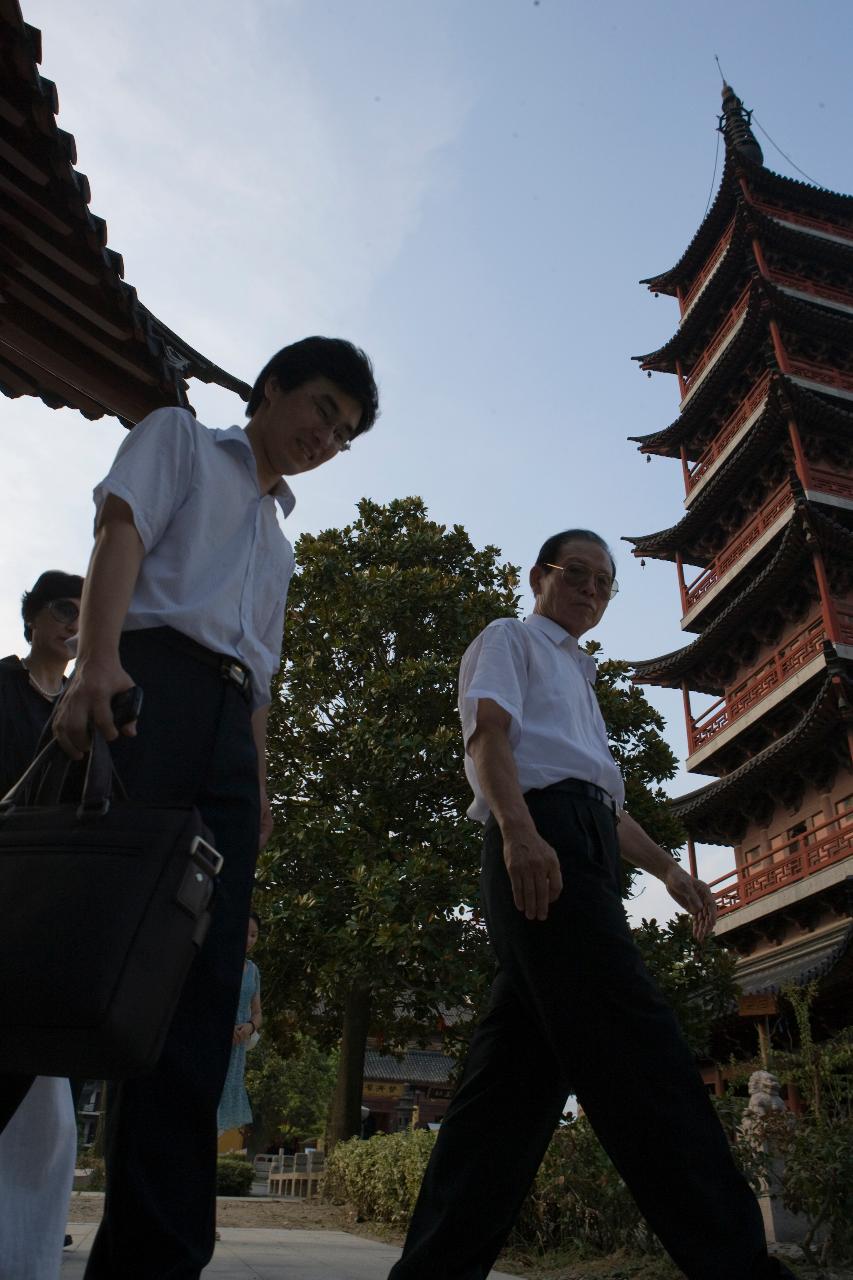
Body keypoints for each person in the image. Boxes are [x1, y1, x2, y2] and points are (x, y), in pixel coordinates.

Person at [0, 337, 379, 1279]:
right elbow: (117, 535)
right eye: (321, 409)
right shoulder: (178, 438)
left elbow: (257, 685)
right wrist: (96, 664)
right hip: (145, 691)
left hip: (223, 743)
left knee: (197, 1006)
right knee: (57, 960)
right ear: (273, 388)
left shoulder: (281, 545)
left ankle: (154, 1260)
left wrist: (255, 789)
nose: (324, 437)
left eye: (343, 434)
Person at [388, 530, 794, 1280]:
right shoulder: (508, 638)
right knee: (640, 1054)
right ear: (540, 574)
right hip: (542, 842)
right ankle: (740, 1267)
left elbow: (602, 800)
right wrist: (518, 831)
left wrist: (671, 872)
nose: (591, 591)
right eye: (578, 575)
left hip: (582, 842)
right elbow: (487, 739)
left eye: (605, 584)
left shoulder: (578, 676)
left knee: (505, 1098)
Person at [0, 571, 83, 1279]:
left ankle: (25, 1251)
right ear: (31, 618)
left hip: (56, 904)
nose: (75, 623)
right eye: (63, 610)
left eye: (88, 614)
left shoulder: (92, 707)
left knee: (49, 1102)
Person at [217, 910, 263, 1137]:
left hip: (237, 1046)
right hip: (213, 1041)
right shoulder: (217, 962)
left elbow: (257, 1013)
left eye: (254, 935)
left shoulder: (253, 971)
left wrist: (249, 1027)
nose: (249, 940)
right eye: (245, 933)